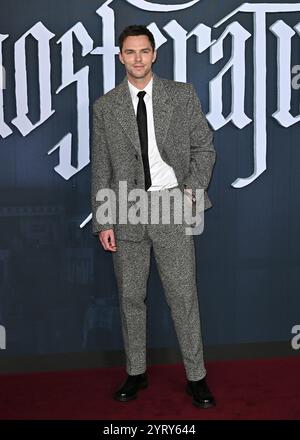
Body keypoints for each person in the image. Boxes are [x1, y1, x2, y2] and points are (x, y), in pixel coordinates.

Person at [91, 25, 216, 408]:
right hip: (126, 208)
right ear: (120, 56)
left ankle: (196, 377)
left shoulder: (181, 95)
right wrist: (103, 219)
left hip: (171, 205)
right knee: (131, 297)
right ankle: (136, 372)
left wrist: (190, 195)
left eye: (144, 51)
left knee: (183, 296)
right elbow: (101, 167)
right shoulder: (105, 106)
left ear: (155, 54)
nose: (138, 59)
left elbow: (205, 148)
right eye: (130, 52)